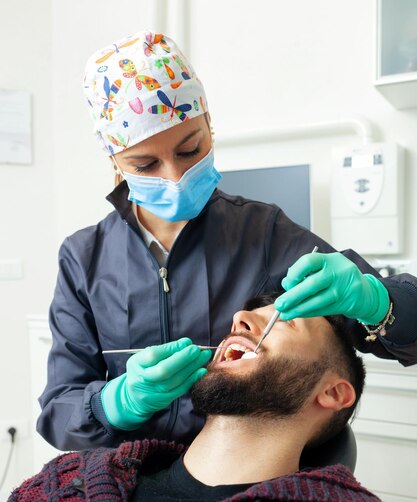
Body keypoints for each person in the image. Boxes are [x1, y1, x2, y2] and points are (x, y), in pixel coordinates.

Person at [37, 29, 417, 452]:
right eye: (144, 163)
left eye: (189, 150)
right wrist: (115, 403)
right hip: (133, 478)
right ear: (114, 160)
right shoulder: (83, 258)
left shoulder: (264, 232)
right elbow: (59, 411)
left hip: (248, 470)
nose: (174, 177)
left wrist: (378, 302)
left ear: (209, 129)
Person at [3, 294, 417, 502]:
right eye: (246, 313)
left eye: (286, 320)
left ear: (332, 393)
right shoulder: (62, 480)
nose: (240, 317)